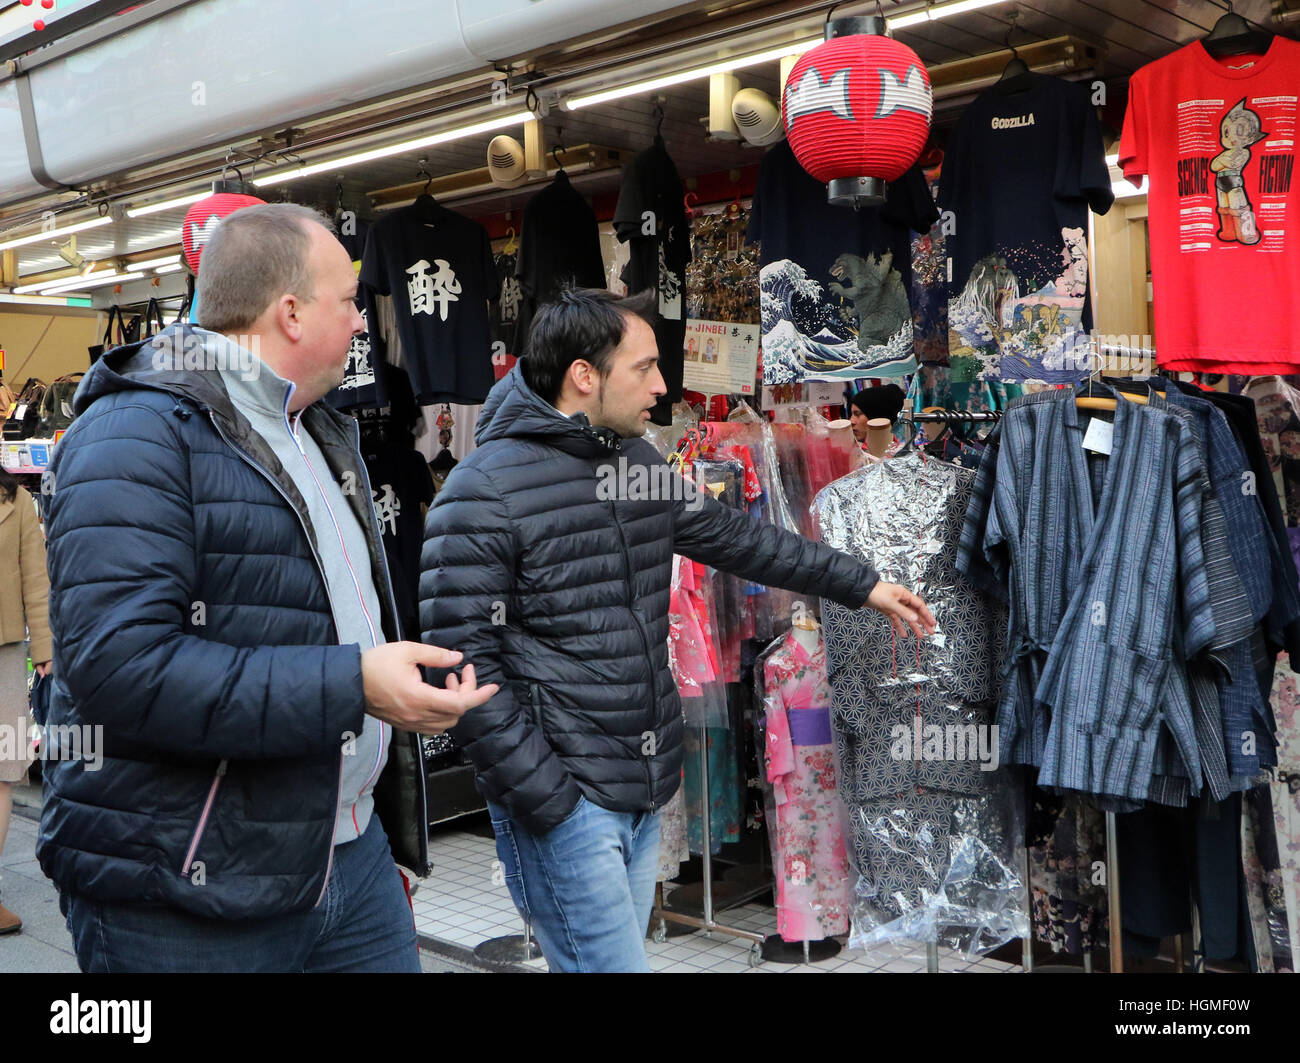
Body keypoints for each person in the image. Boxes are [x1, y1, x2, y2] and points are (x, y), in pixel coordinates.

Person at [420, 288, 935, 973]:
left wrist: (859, 582)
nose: (663, 388)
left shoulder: (634, 463)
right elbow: (462, 661)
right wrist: (548, 796)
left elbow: (734, 538)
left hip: (641, 785)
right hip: (566, 803)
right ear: (584, 375)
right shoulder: (482, 489)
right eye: (645, 368)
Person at [39, 203, 496, 973]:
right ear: (289, 312)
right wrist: (354, 683)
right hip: (184, 888)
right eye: (348, 301)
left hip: (346, 856)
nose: (361, 324)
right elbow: (122, 669)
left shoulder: (318, 429)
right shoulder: (134, 436)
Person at [0, 468, 52, 936]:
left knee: (3, 769)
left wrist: (46, 649)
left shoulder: (16, 500)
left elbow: (36, 578)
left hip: (4, 649)